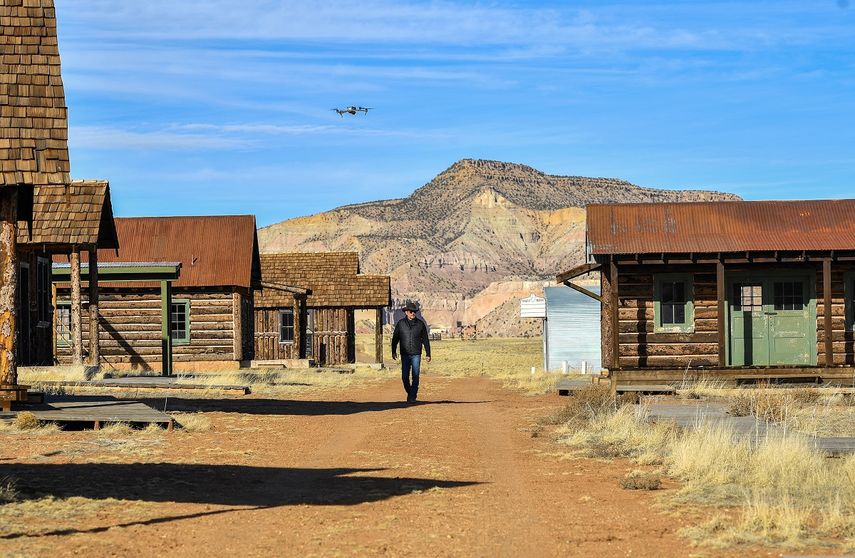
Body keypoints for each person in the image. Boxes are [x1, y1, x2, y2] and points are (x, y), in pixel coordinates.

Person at [391, 301, 431, 403]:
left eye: (414, 312)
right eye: (410, 311)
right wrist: (393, 351)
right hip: (404, 354)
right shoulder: (400, 324)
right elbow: (395, 338)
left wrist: (428, 354)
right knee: (404, 376)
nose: (413, 313)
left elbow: (425, 339)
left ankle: (412, 397)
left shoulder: (420, 324)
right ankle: (411, 393)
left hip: (416, 354)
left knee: (415, 375)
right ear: (406, 312)